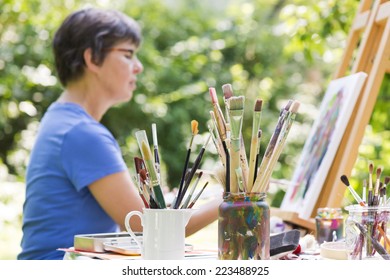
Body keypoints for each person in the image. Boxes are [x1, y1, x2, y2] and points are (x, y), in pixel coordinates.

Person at [18, 7, 222, 260]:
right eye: (128, 54)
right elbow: (151, 230)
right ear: (92, 58)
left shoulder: (62, 119)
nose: (138, 67)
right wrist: (235, 196)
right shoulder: (81, 133)